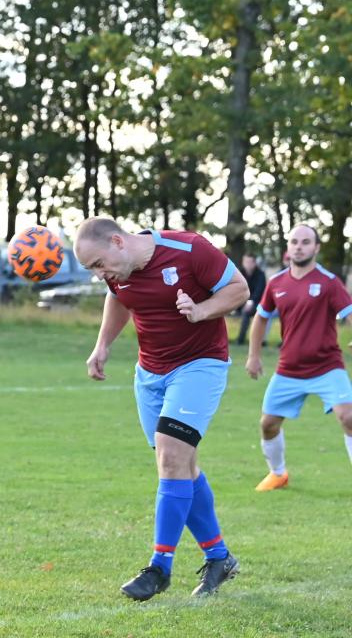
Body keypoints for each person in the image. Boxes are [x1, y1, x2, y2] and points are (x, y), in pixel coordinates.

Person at [75, 217, 248, 601]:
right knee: (181, 466)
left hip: (200, 365)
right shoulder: (117, 272)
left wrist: (201, 310)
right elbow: (119, 298)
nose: (99, 274)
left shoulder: (189, 249)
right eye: (91, 269)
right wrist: (102, 345)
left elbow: (239, 288)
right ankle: (219, 557)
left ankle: (159, 567)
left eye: (98, 264)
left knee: (171, 458)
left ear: (118, 241)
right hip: (150, 374)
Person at [245, 225, 352, 490]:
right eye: (294, 242)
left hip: (327, 366)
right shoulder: (276, 283)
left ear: (316, 248)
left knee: (349, 417)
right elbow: (261, 318)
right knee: (268, 425)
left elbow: (349, 313)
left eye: (305, 242)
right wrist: (253, 356)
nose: (299, 247)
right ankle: (278, 474)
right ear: (288, 248)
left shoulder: (329, 282)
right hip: (289, 369)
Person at [234, 253, 266, 344]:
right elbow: (236, 289)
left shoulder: (260, 274)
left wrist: (249, 302)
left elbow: (259, 291)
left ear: (254, 263)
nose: (247, 264)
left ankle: (241, 339)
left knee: (246, 312)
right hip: (240, 301)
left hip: (256, 303)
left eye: (249, 262)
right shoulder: (239, 273)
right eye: (245, 261)